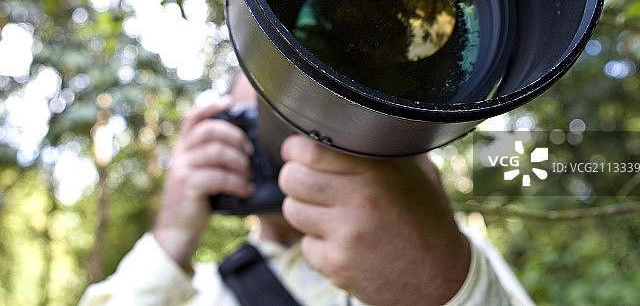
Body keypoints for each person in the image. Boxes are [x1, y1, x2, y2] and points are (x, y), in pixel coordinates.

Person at [78, 74, 533, 306]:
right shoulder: (209, 292)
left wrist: (443, 287)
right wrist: (171, 237)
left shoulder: (448, 250)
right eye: (261, 116)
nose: (291, 141)